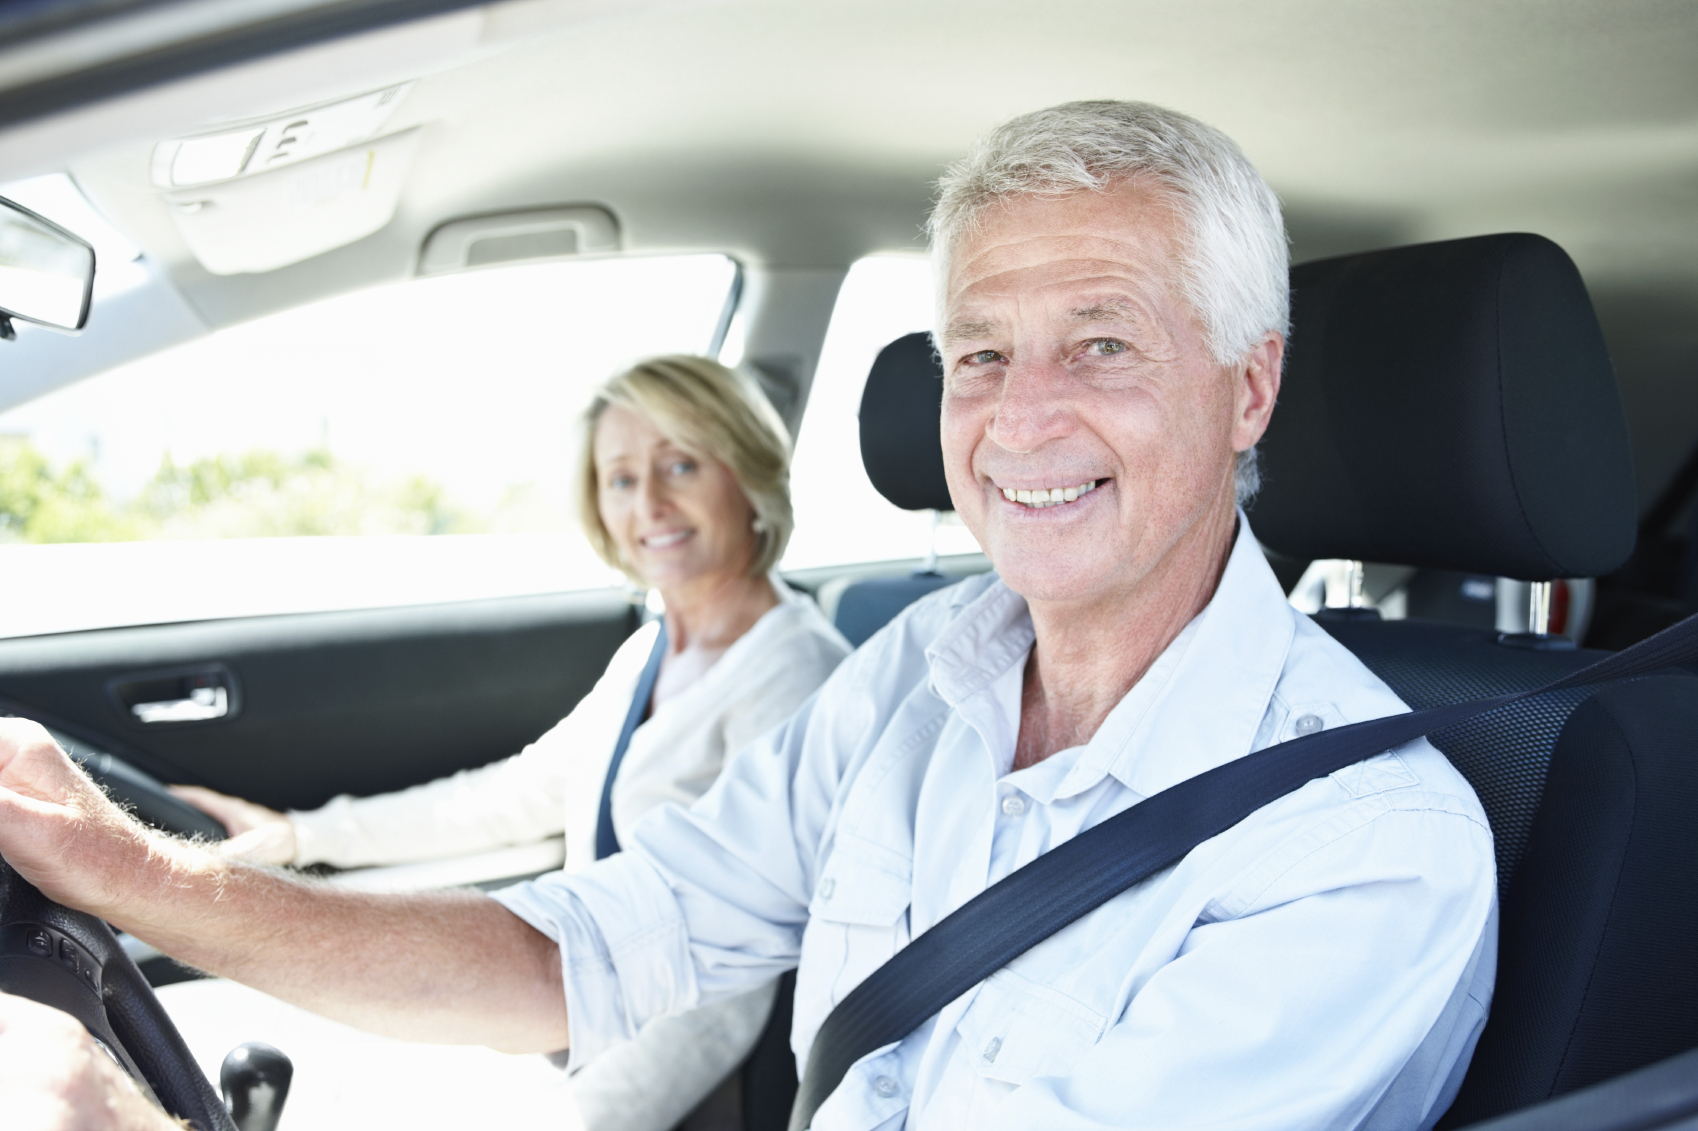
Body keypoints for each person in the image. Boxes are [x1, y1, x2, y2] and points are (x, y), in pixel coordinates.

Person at [0, 101, 1495, 1131]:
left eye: (1101, 343)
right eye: (978, 354)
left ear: (1248, 386)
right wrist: (129, 873)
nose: (1019, 418)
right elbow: (582, 950)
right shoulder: (915, 676)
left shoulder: (1363, 845)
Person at [172, 352, 853, 1130]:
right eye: (621, 478)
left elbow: (730, 987)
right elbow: (515, 794)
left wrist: (571, 1117)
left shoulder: (800, 675)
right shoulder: (652, 648)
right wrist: (302, 834)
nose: (650, 504)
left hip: (642, 1070)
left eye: (681, 465)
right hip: (561, 1013)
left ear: (747, 472)